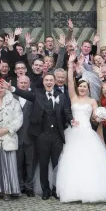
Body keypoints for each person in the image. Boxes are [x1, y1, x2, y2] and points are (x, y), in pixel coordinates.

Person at [53, 53, 106, 203]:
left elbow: (94, 117)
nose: (82, 88)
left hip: (87, 132)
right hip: (74, 133)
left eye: (85, 87)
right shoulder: (73, 97)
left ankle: (92, 191)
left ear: (88, 88)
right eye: (80, 86)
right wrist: (70, 65)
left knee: (90, 161)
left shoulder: (92, 101)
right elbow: (70, 82)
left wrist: (99, 117)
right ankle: (73, 192)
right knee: (73, 162)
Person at [8, 71, 72, 200]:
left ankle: (56, 189)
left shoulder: (62, 96)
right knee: (43, 164)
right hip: (42, 135)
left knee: (56, 164)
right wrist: (13, 89)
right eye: (46, 80)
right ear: (43, 82)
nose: (49, 82)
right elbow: (25, 93)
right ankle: (46, 190)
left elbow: (66, 111)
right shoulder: (37, 94)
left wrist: (71, 120)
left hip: (57, 136)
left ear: (54, 82)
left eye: (51, 80)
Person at [15, 75, 36, 196]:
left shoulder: (33, 97)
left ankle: (29, 187)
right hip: (16, 135)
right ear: (17, 83)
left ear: (29, 83)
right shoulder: (11, 97)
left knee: (30, 163)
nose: (23, 84)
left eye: (25, 82)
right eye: (21, 82)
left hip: (30, 135)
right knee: (18, 162)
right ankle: (19, 185)